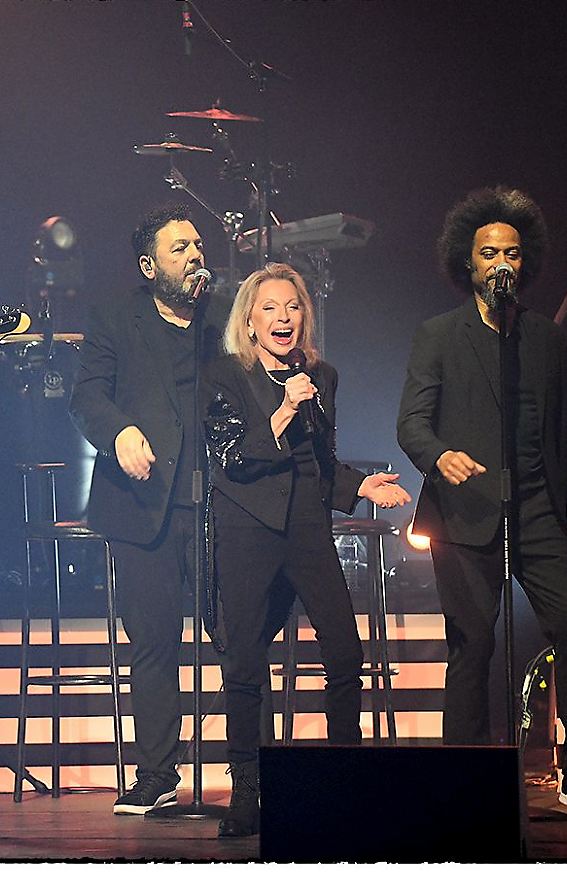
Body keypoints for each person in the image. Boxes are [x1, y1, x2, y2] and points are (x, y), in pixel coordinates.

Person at [396, 185, 567, 817]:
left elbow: (558, 431)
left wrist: (555, 509)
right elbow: (411, 423)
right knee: (473, 643)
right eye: (489, 253)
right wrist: (439, 456)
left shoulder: (548, 338)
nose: (502, 262)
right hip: (465, 512)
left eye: (512, 253)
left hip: (536, 512)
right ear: (467, 262)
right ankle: (466, 777)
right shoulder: (439, 335)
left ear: (526, 263)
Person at [202, 264, 411, 837]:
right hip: (248, 530)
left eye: (292, 307)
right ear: (249, 320)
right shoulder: (223, 377)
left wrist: (361, 487)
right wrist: (285, 409)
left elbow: (321, 462)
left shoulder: (322, 376)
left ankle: (342, 778)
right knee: (245, 662)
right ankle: (248, 792)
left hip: (307, 529)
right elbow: (231, 458)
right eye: (270, 308)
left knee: (345, 653)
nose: (283, 318)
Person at [69, 204, 232, 814]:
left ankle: (254, 769)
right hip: (143, 506)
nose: (194, 256)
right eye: (179, 248)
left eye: (198, 245)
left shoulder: (224, 318)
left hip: (218, 502)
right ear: (149, 266)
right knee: (154, 643)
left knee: (237, 637)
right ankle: (157, 773)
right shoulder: (116, 318)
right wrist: (119, 432)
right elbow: (87, 395)